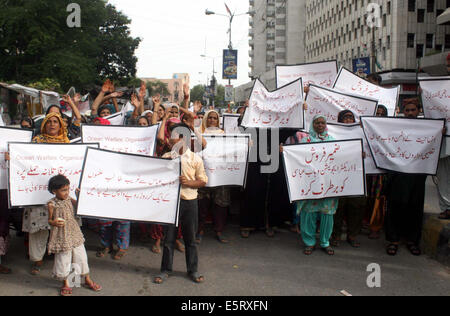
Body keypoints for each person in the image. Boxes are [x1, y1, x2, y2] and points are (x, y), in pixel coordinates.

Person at [154, 123, 208, 284]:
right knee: (168, 239)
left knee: (190, 239)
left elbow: (203, 181)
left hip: (189, 203)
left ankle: (193, 270)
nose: (170, 139)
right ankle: (165, 270)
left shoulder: (195, 158)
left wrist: (189, 183)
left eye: (174, 136)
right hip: (171, 204)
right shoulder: (166, 157)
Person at [21, 113, 70, 275]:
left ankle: (61, 258)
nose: (52, 124)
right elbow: (23, 160)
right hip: (37, 193)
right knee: (38, 228)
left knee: (61, 226)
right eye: (48, 122)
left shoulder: (67, 143)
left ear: (61, 124)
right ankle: (37, 259)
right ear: (43, 125)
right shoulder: (35, 142)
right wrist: (12, 158)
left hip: (60, 196)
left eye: (56, 121)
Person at [385, 98, 428, 256]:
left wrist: (439, 134)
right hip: (398, 174)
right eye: (407, 110)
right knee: (395, 206)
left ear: (419, 111)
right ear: (403, 112)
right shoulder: (396, 128)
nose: (410, 113)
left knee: (415, 208)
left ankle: (412, 240)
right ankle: (393, 240)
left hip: (418, 174)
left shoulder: (428, 128)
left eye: (413, 110)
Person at [47, 175, 101, 296]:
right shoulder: (51, 204)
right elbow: (49, 220)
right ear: (54, 191)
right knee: (63, 258)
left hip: (74, 231)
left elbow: (79, 206)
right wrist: (54, 222)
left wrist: (78, 196)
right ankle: (66, 283)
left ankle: (87, 279)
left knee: (81, 256)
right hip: (61, 234)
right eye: (63, 190)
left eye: (67, 189)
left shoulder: (69, 199)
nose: (66, 192)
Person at [293, 115, 338, 256]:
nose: (320, 125)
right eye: (317, 122)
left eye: (322, 123)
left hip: (327, 184)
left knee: (327, 215)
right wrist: (285, 152)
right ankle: (309, 242)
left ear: (326, 125)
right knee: (308, 214)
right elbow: (296, 158)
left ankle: (325, 242)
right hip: (310, 184)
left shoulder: (333, 141)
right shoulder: (304, 140)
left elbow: (340, 158)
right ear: (312, 124)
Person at [331, 110, 366, 248]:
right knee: (337, 208)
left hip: (356, 176)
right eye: (345, 117)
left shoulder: (362, 133)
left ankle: (352, 236)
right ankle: (336, 235)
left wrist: (364, 154)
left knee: (356, 207)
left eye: (351, 117)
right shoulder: (332, 133)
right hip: (338, 177)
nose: (348, 120)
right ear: (339, 120)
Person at [197, 110, 231, 244]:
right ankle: (199, 230)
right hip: (203, 173)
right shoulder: (200, 133)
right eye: (210, 118)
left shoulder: (223, 135)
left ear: (218, 121)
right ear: (206, 119)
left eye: (215, 118)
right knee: (201, 204)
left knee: (220, 204)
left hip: (220, 174)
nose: (212, 120)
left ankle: (219, 231)